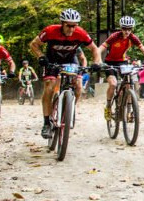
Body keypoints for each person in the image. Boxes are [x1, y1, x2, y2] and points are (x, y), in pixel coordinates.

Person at [30, 9, 102, 138]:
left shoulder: (81, 33)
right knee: (49, 86)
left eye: (74, 26)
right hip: (52, 61)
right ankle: (46, 123)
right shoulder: (50, 31)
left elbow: (94, 49)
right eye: (68, 25)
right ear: (62, 23)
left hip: (70, 61)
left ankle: (70, 109)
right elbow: (34, 44)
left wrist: (97, 62)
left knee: (78, 85)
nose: (71, 29)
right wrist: (40, 56)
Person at [98, 15, 144, 122]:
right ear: (121, 28)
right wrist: (99, 62)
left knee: (128, 85)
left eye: (129, 29)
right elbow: (100, 48)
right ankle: (108, 106)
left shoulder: (133, 37)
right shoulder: (115, 36)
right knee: (113, 84)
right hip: (110, 62)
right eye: (124, 28)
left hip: (122, 62)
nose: (127, 31)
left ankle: (128, 110)